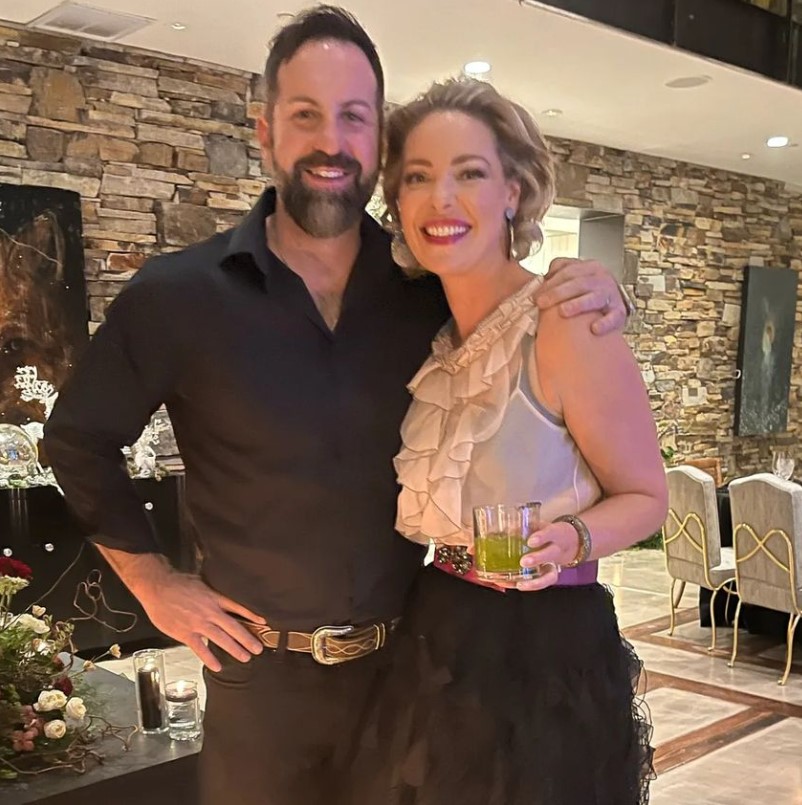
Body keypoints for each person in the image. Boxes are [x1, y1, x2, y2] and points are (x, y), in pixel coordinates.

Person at [43, 7, 631, 804]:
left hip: (411, 675)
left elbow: (520, 313)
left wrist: (596, 286)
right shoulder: (177, 297)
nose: (331, 140)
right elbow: (77, 440)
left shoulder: (430, 294)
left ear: (378, 141)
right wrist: (154, 584)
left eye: (354, 116)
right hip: (260, 685)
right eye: (305, 115)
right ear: (265, 133)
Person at [351, 78, 668, 805]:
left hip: (542, 646)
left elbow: (648, 496)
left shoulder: (566, 319)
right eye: (417, 178)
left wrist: (573, 539)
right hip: (439, 628)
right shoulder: (427, 335)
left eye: (469, 173)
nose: (441, 199)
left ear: (513, 192)